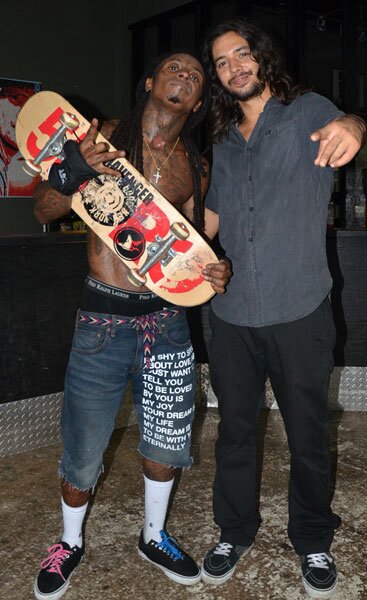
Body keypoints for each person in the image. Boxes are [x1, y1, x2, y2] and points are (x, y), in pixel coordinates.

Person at [32, 52, 230, 600]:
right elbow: (45, 210)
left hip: (167, 324)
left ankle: (154, 535)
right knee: (84, 448)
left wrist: (218, 267)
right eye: (174, 67)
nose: (186, 75)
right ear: (149, 81)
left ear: (198, 100)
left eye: (196, 75)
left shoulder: (198, 164)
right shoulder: (102, 137)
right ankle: (69, 543)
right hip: (102, 318)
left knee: (165, 441)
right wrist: (79, 167)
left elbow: (194, 246)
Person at [200, 19, 367, 598]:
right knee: (235, 433)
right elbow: (212, 222)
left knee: (308, 432)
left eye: (241, 54)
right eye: (222, 62)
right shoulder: (221, 139)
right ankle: (233, 531)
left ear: (262, 56)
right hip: (232, 312)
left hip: (300, 306)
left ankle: (314, 537)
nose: (234, 67)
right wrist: (168, 245)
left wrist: (354, 125)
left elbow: (348, 126)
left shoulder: (307, 110)